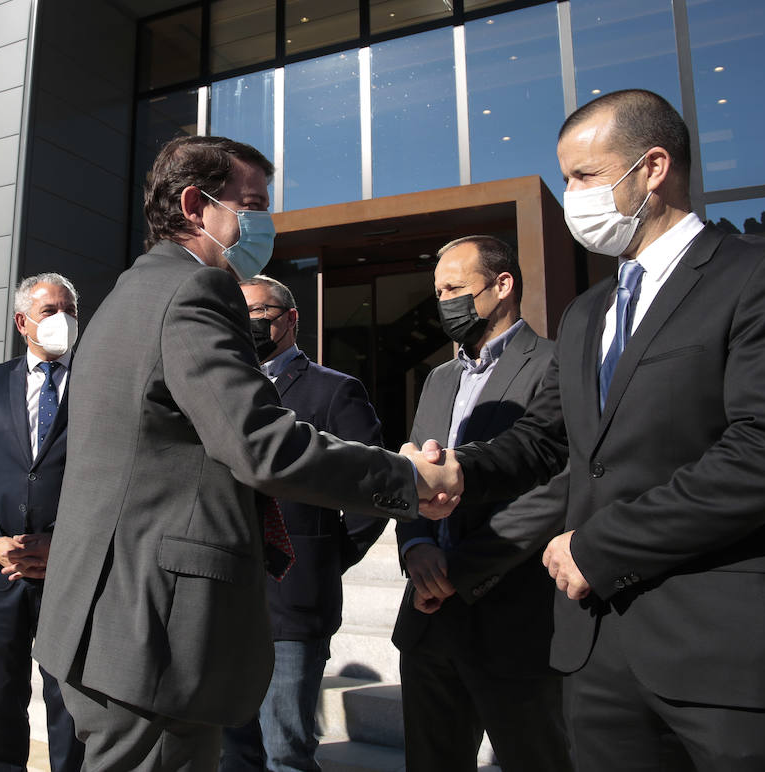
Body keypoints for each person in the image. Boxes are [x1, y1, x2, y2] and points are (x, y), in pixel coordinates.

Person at [428, 90, 765, 770]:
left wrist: (600, 546)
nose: (571, 196)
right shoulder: (586, 313)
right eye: (564, 178)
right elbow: (545, 439)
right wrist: (456, 472)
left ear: (652, 167)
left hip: (729, 653)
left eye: (584, 177)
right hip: (598, 659)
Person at [34, 135, 462, 771]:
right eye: (253, 205)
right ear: (194, 205)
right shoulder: (194, 292)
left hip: (110, 622)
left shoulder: (125, 295)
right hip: (152, 635)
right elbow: (262, 444)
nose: (266, 224)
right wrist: (407, 477)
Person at [391, 236, 570, 772]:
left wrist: (463, 569)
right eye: (438, 289)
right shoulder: (439, 379)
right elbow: (414, 476)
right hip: (428, 618)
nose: (443, 300)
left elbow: (557, 485)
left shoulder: (554, 364)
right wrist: (417, 547)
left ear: (502, 286)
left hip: (512, 614)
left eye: (455, 288)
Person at [220, 275, 388, 772]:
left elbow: (370, 488)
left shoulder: (335, 391)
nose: (248, 324)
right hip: (227, 598)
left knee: (286, 749)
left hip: (294, 600)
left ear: (291, 319)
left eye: (259, 313)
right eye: (238, 313)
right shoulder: (222, 390)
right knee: (234, 749)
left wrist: (326, 555)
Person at [0, 273, 85, 772]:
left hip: (69, 570)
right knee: (1, 693)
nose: (63, 318)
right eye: (50, 310)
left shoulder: (97, 379)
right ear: (21, 322)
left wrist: (64, 544)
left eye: (70, 308)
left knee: (68, 696)